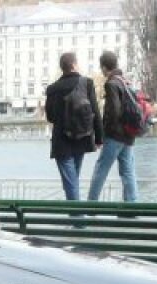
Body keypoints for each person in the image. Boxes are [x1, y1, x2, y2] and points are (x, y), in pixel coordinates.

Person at [44, 52, 102, 201]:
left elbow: (50, 117)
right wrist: (99, 138)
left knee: (71, 183)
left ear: (62, 68)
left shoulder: (52, 89)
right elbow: (95, 112)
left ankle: (78, 222)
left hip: (61, 143)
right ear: (74, 65)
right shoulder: (87, 83)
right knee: (73, 182)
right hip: (82, 138)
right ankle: (78, 220)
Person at [88, 51, 139, 202]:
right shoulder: (125, 81)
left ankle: (91, 205)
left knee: (100, 170)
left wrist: (104, 133)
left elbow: (114, 112)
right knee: (127, 171)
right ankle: (131, 206)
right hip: (129, 135)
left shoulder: (111, 84)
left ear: (104, 67)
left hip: (115, 135)